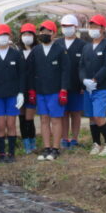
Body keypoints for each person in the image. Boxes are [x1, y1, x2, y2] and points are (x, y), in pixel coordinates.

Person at [29, 20, 69, 160]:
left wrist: (64, 89)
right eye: (42, 31)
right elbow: (30, 71)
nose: (45, 34)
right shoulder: (36, 50)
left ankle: (56, 148)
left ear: (54, 33)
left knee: (56, 120)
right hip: (40, 91)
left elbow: (65, 71)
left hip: (55, 91)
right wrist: (32, 90)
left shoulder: (60, 50)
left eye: (48, 31)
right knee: (44, 119)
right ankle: (46, 148)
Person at [0, 23, 25, 162]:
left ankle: (12, 153)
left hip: (12, 94)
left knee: (11, 124)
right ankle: (1, 153)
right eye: (0, 35)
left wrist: (21, 92)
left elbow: (21, 75)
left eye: (5, 35)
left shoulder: (16, 54)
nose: (3, 37)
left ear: (9, 36)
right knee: (0, 124)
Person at [80, 15, 106, 155]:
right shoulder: (87, 47)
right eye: (91, 26)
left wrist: (95, 80)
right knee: (91, 117)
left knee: (98, 116)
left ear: (102, 28)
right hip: (88, 88)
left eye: (95, 26)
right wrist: (84, 80)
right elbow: (81, 66)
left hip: (102, 87)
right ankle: (96, 144)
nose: (92, 29)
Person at [57, 14, 86, 148]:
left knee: (75, 113)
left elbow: (85, 66)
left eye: (69, 26)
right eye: (64, 26)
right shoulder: (57, 43)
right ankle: (64, 139)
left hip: (77, 85)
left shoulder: (83, 45)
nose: (67, 29)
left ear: (75, 27)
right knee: (63, 113)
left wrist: (82, 84)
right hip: (61, 85)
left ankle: (74, 139)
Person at [18, 23, 38, 153]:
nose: (27, 37)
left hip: (33, 88)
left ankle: (32, 140)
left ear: (34, 36)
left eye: (29, 34)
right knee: (21, 116)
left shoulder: (38, 51)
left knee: (29, 117)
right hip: (20, 89)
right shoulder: (17, 52)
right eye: (24, 34)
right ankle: (25, 142)